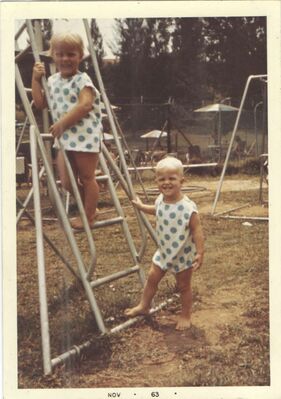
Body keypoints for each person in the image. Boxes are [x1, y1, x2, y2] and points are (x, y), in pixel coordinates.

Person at [32, 32, 102, 229]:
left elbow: (85, 105)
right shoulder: (52, 80)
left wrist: (62, 123)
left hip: (84, 135)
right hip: (64, 138)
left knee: (87, 177)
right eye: (60, 54)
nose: (65, 59)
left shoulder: (83, 80)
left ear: (80, 56)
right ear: (53, 55)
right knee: (66, 181)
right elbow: (40, 103)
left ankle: (88, 215)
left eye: (71, 54)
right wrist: (36, 80)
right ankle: (89, 207)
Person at [125, 156, 204, 330]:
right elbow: (157, 210)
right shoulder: (160, 200)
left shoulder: (188, 207)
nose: (166, 183)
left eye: (171, 178)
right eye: (162, 179)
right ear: (156, 181)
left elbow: (197, 230)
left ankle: (185, 315)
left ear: (181, 181)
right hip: (164, 252)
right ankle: (144, 306)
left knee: (183, 287)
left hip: (183, 255)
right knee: (152, 279)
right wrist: (141, 206)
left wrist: (199, 252)